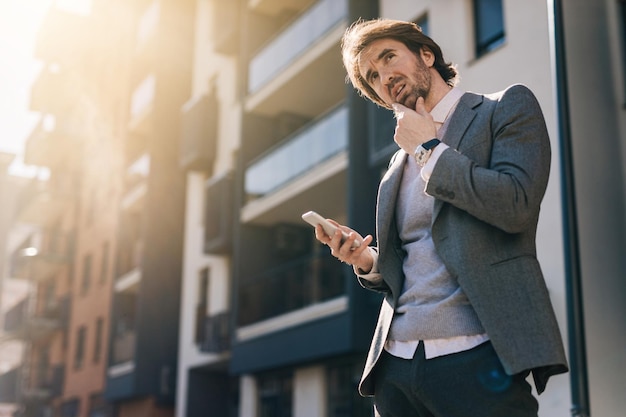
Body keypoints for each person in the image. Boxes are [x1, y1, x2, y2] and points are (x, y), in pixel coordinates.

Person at [313, 18, 569, 417]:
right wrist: (366, 261)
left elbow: (515, 205)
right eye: (372, 76)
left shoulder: (503, 109)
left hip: (478, 357)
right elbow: (417, 260)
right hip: (396, 367)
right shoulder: (395, 166)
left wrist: (428, 149)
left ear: (426, 55)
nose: (384, 76)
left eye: (388, 57)